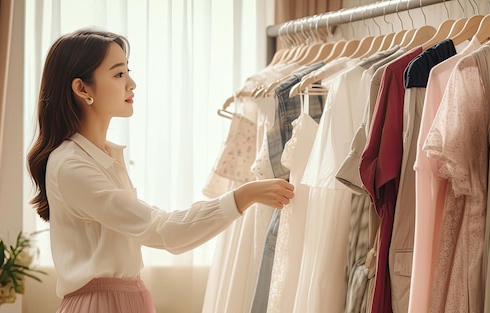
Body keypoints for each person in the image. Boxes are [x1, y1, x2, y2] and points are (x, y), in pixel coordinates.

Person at [26, 28, 295, 313]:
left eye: (127, 71)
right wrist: (243, 196)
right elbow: (163, 230)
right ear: (83, 89)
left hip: (127, 299)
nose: (132, 83)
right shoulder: (71, 164)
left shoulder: (102, 157)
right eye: (118, 74)